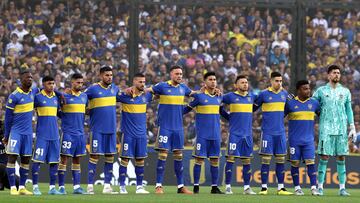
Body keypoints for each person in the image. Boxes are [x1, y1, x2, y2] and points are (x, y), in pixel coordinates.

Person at [149, 65, 194, 194]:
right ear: (171, 75)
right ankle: (158, 186)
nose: (179, 76)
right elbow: (147, 90)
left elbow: (194, 94)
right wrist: (133, 89)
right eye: (177, 74)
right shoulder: (162, 86)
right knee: (162, 155)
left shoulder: (183, 88)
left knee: (178, 157)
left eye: (181, 74)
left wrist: (208, 90)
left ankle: (181, 187)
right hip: (165, 127)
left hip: (178, 128)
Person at [313, 65, 357, 196]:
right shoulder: (320, 91)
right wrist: (317, 114)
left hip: (341, 128)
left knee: (341, 157)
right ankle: (320, 187)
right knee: (324, 156)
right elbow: (313, 105)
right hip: (326, 128)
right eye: (334, 73)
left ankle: (342, 188)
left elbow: (349, 109)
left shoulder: (345, 91)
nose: (337, 75)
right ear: (328, 75)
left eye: (338, 73)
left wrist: (352, 126)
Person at [184, 72, 224, 194]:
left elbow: (222, 111)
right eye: (210, 79)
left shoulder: (219, 97)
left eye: (215, 79)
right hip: (202, 136)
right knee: (199, 160)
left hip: (216, 135)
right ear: (205, 82)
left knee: (215, 161)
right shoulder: (199, 97)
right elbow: (186, 109)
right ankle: (196, 187)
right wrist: (173, 114)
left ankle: (214, 187)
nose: (213, 81)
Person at [254, 71, 293, 195]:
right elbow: (253, 108)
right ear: (271, 81)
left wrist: (281, 115)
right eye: (277, 81)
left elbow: (289, 108)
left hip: (280, 133)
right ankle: (264, 188)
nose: (279, 83)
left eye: (281, 81)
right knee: (266, 160)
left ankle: (281, 188)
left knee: (280, 160)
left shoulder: (285, 94)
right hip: (267, 133)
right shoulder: (263, 94)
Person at [85, 66, 120, 194]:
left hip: (111, 130)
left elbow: (125, 97)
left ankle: (107, 186)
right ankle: (89, 186)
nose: (109, 77)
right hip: (97, 129)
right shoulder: (93, 89)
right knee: (94, 156)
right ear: (100, 76)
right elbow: (80, 99)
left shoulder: (115, 89)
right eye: (107, 75)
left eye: (111, 75)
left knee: (110, 157)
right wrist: (86, 111)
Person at [3, 70, 38, 195]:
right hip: (16, 132)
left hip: (28, 133)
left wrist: (60, 93)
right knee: (12, 158)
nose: (30, 79)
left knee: (26, 160)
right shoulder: (14, 95)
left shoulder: (33, 92)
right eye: (28, 77)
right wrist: (6, 135)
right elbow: (8, 118)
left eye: (31, 77)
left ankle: (22, 187)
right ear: (21, 78)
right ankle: (13, 188)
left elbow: (47, 90)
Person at [116, 73, 152, 194]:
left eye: (144, 82)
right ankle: (121, 187)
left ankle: (139, 187)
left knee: (140, 161)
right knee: (125, 160)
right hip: (128, 134)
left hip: (141, 135)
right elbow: (112, 94)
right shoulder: (125, 96)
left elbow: (159, 92)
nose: (143, 84)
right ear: (134, 82)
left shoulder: (146, 96)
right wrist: (122, 90)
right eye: (140, 82)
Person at [285, 80, 321, 196]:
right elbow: (279, 116)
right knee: (295, 164)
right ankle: (297, 188)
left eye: (309, 88)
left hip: (309, 141)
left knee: (311, 164)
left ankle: (314, 188)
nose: (308, 91)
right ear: (299, 90)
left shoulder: (314, 103)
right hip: (294, 141)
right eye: (305, 89)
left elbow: (323, 117)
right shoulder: (290, 103)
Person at [222, 75, 256, 195]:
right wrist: (228, 117)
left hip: (247, 135)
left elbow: (261, 102)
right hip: (234, 134)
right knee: (231, 160)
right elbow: (217, 102)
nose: (245, 84)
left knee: (247, 161)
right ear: (236, 85)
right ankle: (227, 186)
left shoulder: (252, 96)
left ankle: (247, 187)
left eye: (246, 82)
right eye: (242, 82)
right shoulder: (230, 96)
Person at [57, 73, 88, 194]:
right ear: (72, 83)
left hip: (80, 134)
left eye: (81, 83)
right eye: (78, 82)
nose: (80, 85)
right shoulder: (65, 96)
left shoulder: (84, 97)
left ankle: (76, 187)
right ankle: (61, 187)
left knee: (77, 160)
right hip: (68, 133)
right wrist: (64, 117)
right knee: (64, 159)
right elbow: (55, 109)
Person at [32, 76, 61, 195]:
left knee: (54, 162)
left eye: (53, 83)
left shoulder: (56, 97)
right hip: (42, 135)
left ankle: (52, 188)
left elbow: (59, 113)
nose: (52, 86)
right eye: (49, 83)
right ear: (43, 84)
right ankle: (34, 187)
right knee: (37, 161)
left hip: (55, 135)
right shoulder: (37, 97)